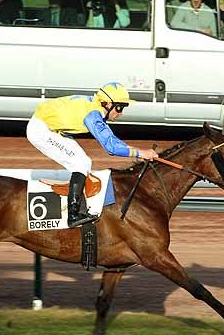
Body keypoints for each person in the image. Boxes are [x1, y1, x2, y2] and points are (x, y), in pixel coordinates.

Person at [26, 82, 158, 228]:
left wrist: (138, 152)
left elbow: (113, 140)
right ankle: (73, 215)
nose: (120, 113)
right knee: (79, 164)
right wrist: (142, 153)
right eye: (119, 107)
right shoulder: (93, 115)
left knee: (85, 162)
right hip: (41, 131)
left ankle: (78, 206)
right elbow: (112, 148)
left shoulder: (96, 107)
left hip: (52, 127)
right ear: (107, 104)